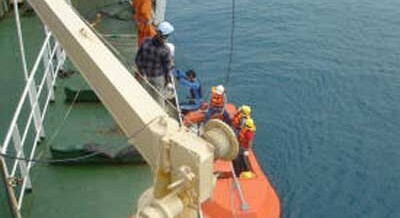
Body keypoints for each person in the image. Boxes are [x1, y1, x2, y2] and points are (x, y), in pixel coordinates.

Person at [135, 21, 174, 109]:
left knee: (144, 95)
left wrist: (142, 73)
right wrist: (168, 82)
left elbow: (138, 59)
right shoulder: (165, 50)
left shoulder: (145, 41)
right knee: (159, 98)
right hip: (157, 78)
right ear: (166, 36)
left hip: (144, 75)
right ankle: (160, 115)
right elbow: (167, 69)